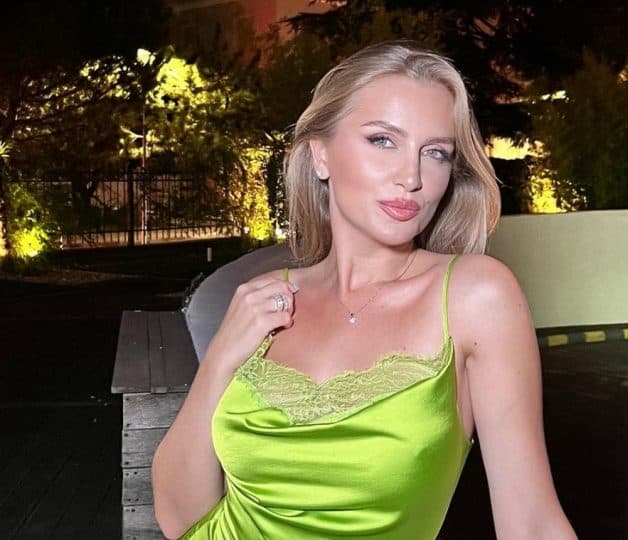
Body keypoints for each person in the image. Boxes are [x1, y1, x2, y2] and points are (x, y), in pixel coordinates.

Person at [152, 40, 577, 540]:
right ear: (321, 155)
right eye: (382, 140)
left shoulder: (473, 296)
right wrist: (221, 356)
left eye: (435, 153)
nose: (412, 177)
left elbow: (532, 521)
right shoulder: (263, 300)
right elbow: (180, 519)